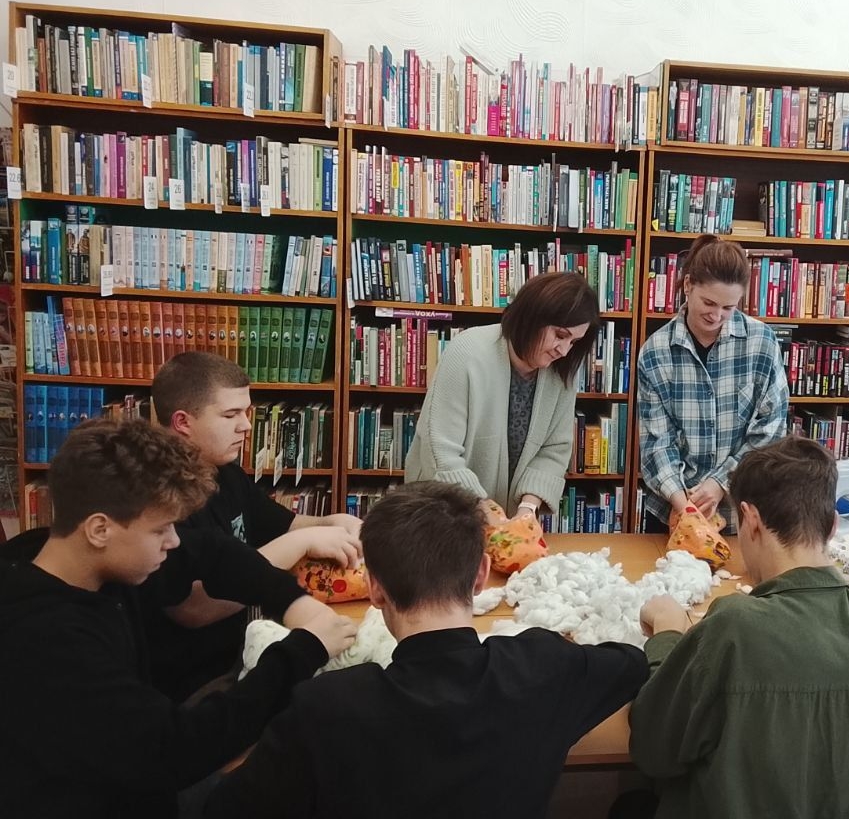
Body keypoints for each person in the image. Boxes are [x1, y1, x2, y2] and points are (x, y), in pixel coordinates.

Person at [205, 479, 648, 819]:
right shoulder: (545, 667)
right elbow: (635, 664)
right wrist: (666, 625)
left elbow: (224, 810)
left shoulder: (325, 707)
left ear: (375, 590)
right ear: (482, 574)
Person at [0, 419, 357, 819]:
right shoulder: (47, 640)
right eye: (161, 529)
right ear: (99, 529)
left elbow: (212, 551)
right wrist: (302, 651)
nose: (173, 540)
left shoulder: (80, 555)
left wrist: (294, 603)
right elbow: (175, 750)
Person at [628, 436, 849, 819]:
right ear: (832, 526)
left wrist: (666, 636)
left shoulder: (734, 626)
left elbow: (653, 751)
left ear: (751, 520)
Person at [147, 351, 364, 701]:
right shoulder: (158, 496)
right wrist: (301, 543)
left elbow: (283, 524)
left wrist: (333, 521)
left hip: (246, 649)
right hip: (199, 682)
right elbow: (194, 608)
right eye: (230, 414)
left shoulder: (224, 471)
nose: (246, 426)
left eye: (246, 412)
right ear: (183, 422)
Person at [403, 270, 600, 519]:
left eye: (574, 342)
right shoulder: (466, 352)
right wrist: (487, 512)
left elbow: (554, 450)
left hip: (504, 521)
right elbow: (440, 452)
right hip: (441, 515)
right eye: (560, 335)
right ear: (532, 317)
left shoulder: (561, 373)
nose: (564, 350)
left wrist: (527, 509)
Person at [636, 234, 789, 532]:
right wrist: (684, 505)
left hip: (742, 512)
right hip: (673, 511)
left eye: (728, 307)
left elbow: (771, 431)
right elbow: (656, 442)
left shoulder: (762, 342)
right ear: (688, 285)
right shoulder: (656, 352)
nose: (716, 315)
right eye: (708, 302)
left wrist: (722, 483)